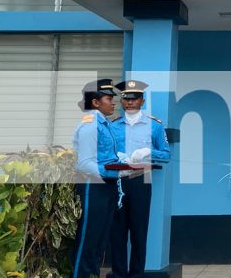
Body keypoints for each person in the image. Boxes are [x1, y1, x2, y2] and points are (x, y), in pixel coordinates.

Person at [108, 80, 170, 278]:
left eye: (134, 99)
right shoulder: (113, 126)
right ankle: (118, 273)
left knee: (139, 230)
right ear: (122, 101)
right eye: (126, 98)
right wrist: (116, 156)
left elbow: (166, 154)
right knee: (117, 232)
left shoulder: (154, 126)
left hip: (141, 181)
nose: (130, 102)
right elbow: (105, 153)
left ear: (142, 101)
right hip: (117, 181)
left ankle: (136, 274)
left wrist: (147, 151)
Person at [72, 78, 124, 278]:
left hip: (106, 186)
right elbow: (84, 163)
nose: (113, 102)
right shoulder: (90, 125)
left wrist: (125, 162)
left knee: (100, 241)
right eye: (109, 98)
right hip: (92, 187)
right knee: (88, 240)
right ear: (95, 103)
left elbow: (107, 156)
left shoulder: (104, 124)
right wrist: (116, 171)